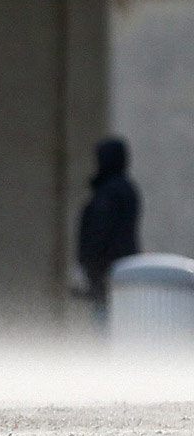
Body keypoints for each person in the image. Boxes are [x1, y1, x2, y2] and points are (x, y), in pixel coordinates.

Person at [76, 137, 141, 322]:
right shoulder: (126, 190)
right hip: (119, 271)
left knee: (106, 329)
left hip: (105, 274)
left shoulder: (108, 193)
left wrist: (88, 266)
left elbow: (98, 233)